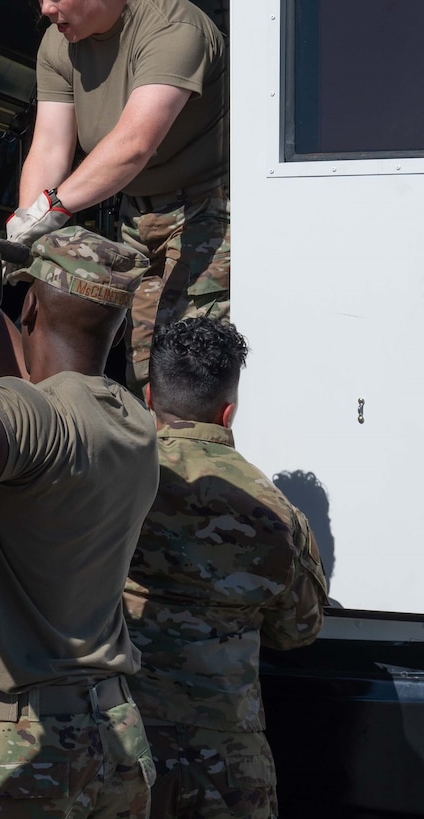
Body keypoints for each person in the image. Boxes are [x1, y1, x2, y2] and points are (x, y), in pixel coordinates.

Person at [0, 219, 161, 819]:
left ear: (29, 307)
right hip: (114, 734)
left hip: (17, 746)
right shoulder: (132, 421)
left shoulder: (40, 422)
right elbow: (34, 401)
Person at [8, 0, 229, 389]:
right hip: (135, 216)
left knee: (193, 372)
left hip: (206, 211)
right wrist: (27, 242)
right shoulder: (58, 43)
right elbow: (49, 145)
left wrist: (49, 211)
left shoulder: (173, 28)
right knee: (141, 368)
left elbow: (134, 144)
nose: (45, 9)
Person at [125, 318, 326, 819]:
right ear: (229, 411)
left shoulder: (114, 480)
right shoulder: (276, 511)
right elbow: (298, 630)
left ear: (149, 396)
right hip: (228, 765)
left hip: (124, 746)